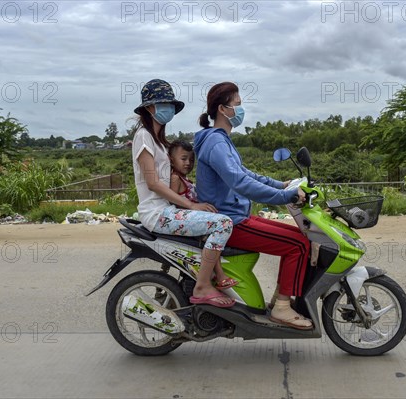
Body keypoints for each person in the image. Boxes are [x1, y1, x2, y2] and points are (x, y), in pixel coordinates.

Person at [193, 82, 313, 330]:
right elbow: (240, 183)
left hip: (236, 216)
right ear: (222, 109)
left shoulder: (222, 141)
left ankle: (281, 299)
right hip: (230, 222)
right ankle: (281, 308)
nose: (240, 109)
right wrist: (285, 197)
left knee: (300, 235)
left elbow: (246, 174)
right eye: (237, 104)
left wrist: (281, 185)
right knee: (299, 244)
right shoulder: (216, 143)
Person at [131, 79, 235, 308]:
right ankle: (203, 286)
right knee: (223, 224)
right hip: (156, 213)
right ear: (150, 107)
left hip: (166, 210)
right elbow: (153, 183)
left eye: (170, 104)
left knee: (215, 218)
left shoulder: (159, 141)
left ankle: (211, 278)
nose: (168, 109)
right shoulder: (143, 137)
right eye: (163, 103)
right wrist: (191, 206)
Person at [168, 140, 238, 290]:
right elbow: (173, 201)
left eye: (191, 160)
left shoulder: (185, 179)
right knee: (213, 238)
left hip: (191, 217)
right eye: (183, 159)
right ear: (171, 161)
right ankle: (219, 276)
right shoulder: (175, 178)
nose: (188, 163)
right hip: (186, 219)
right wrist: (194, 209)